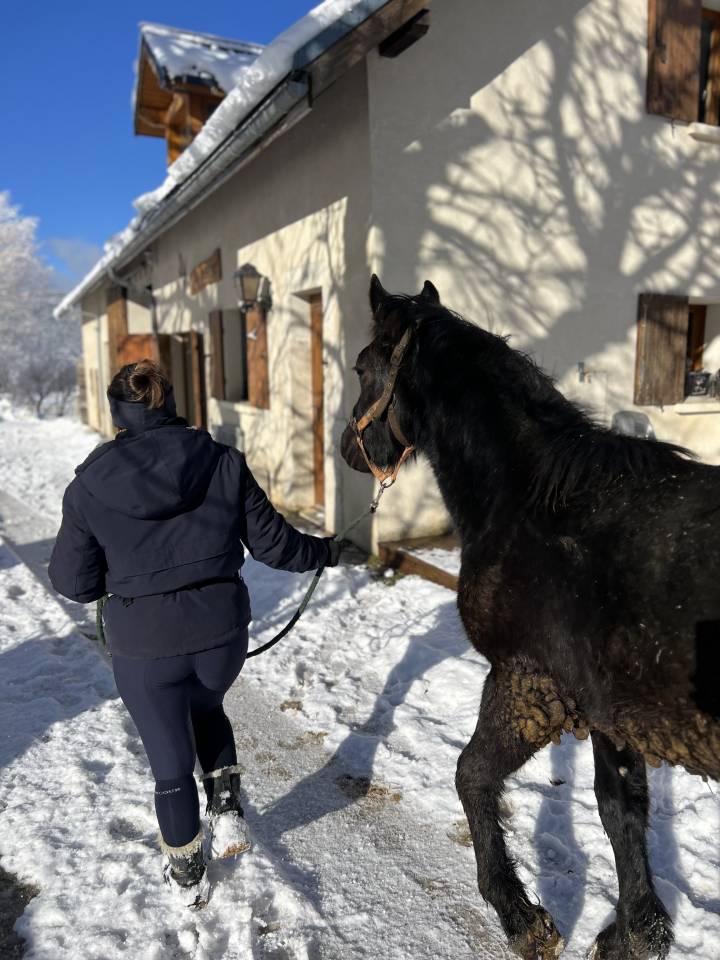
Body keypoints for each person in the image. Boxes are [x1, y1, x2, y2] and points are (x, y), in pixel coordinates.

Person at [49, 359, 340, 905]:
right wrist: (326, 550)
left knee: (169, 764)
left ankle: (187, 877)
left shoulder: (89, 484)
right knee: (207, 709)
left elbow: (73, 581)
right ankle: (227, 811)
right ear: (169, 402)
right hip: (221, 635)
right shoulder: (223, 460)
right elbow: (277, 546)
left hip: (145, 647)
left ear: (118, 412)